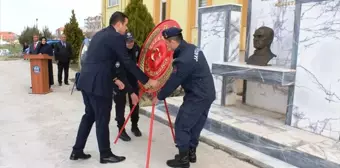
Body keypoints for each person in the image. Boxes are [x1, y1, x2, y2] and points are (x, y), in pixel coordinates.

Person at [70, 11, 159, 164]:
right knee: (102, 119)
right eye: (125, 25)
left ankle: (77, 151)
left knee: (89, 116)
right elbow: (127, 62)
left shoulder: (100, 34)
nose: (126, 28)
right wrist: (146, 80)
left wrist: (115, 79)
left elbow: (103, 60)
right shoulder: (117, 37)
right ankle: (105, 154)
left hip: (86, 81)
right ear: (118, 24)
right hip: (98, 85)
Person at [152, 27, 215, 168]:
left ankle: (183, 160)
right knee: (196, 124)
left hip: (197, 96)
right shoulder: (193, 48)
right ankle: (191, 153)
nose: (166, 46)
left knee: (182, 125)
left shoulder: (184, 60)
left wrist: (160, 96)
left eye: (167, 43)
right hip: (208, 94)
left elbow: (174, 81)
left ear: (173, 41)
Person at [114, 32, 142, 141]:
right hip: (120, 81)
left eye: (132, 41)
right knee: (120, 105)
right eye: (128, 41)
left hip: (132, 79)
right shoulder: (119, 51)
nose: (130, 43)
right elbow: (117, 71)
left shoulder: (136, 48)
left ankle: (134, 126)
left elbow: (141, 60)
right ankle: (121, 130)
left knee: (135, 104)